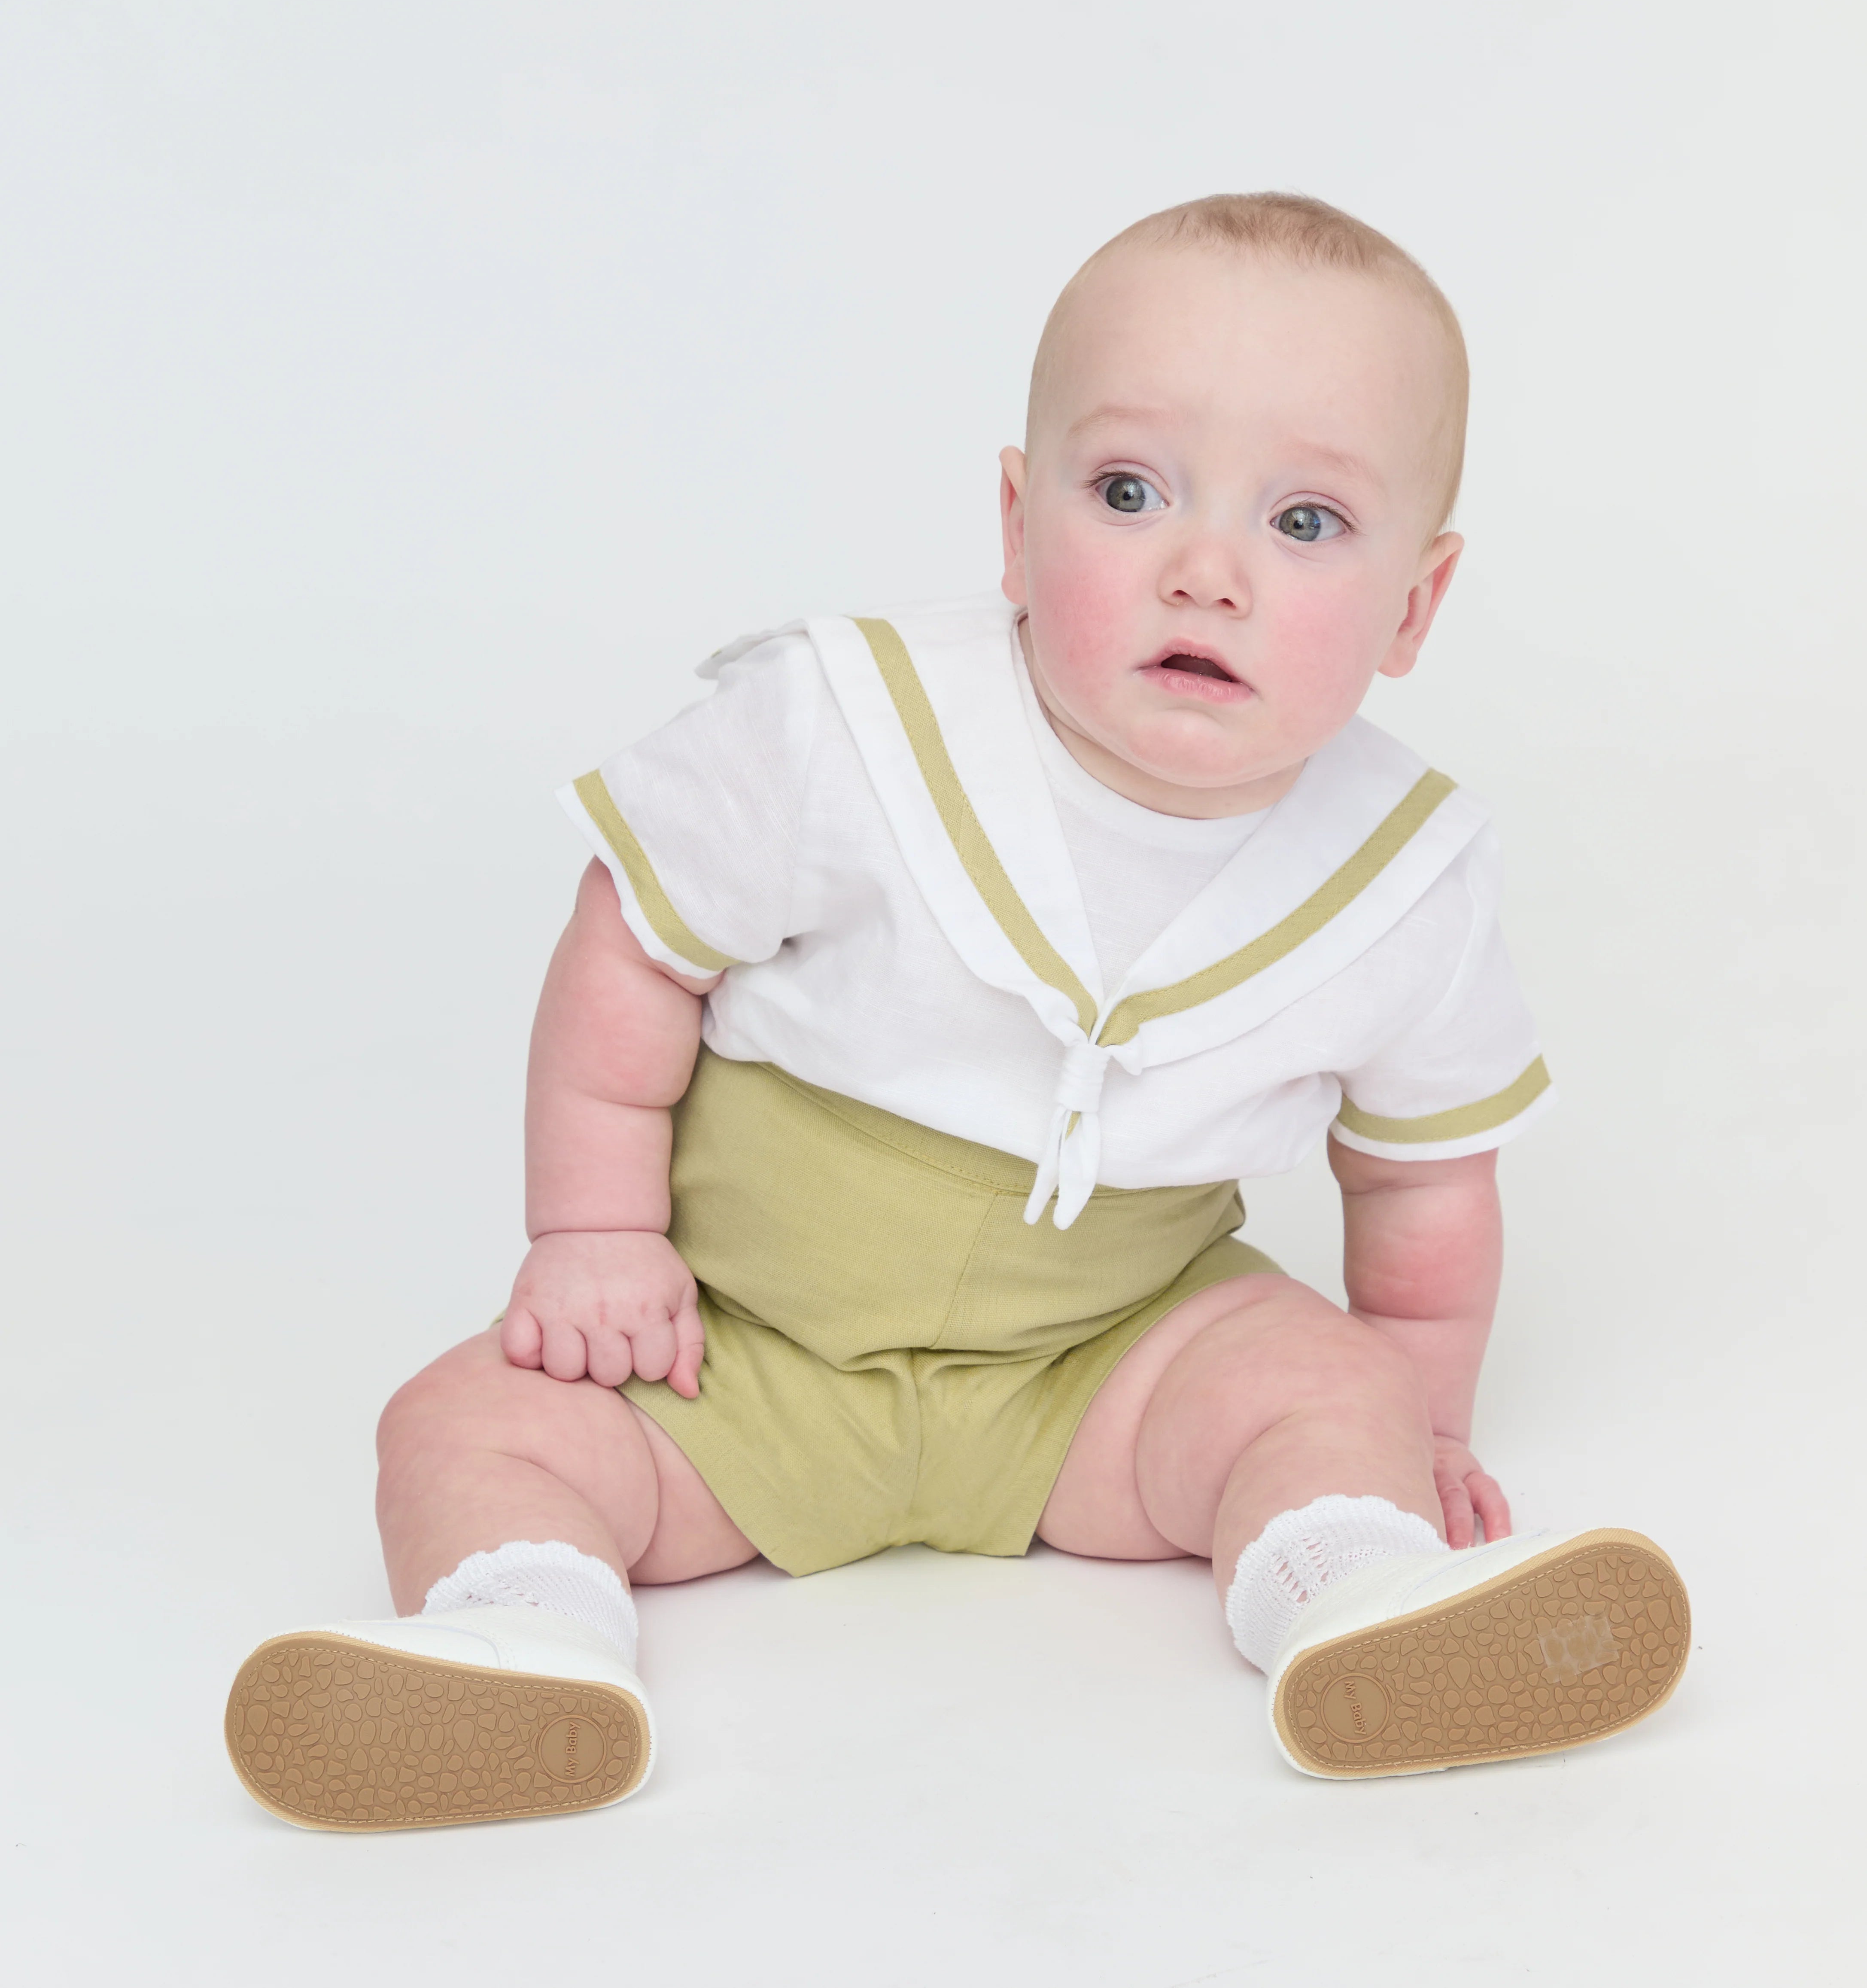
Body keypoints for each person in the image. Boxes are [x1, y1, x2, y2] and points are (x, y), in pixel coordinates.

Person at [225, 192, 1689, 1832]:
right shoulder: (847, 728)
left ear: (1415, 606)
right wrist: (594, 1234)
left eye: (1304, 522)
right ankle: (525, 1642)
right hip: (733, 1349)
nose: (1204, 573)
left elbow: (1422, 1185)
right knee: (464, 1424)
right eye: (1128, 492)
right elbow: (632, 944)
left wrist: (1420, 1421)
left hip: (1106, 1373)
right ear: (1013, 521)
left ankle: (1358, 1594)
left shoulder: (1404, 878)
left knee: (1321, 1385)